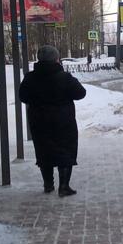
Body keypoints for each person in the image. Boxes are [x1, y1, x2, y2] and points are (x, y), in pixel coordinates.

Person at [17, 45, 86, 197]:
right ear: (56, 59)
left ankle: (48, 185)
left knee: (44, 151)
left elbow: (23, 97)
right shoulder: (64, 77)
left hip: (39, 121)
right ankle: (64, 187)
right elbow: (81, 93)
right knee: (65, 151)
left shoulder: (30, 77)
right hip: (63, 122)